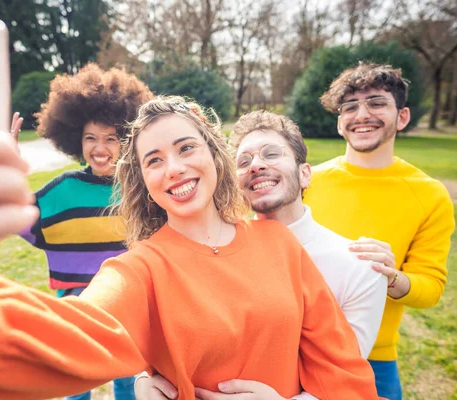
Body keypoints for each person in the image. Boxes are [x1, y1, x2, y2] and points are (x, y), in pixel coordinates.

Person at [0, 89, 384, 400]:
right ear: (143, 180)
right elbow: (72, 338)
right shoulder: (138, 270)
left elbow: (342, 369)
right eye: (154, 159)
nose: (175, 168)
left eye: (186, 147)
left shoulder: (278, 243)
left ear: (213, 154)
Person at [134, 111, 389, 400]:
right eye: (243, 161)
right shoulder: (215, 249)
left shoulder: (360, 265)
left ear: (305, 174)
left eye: (271, 154)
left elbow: (344, 376)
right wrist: (146, 374)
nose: (256, 165)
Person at [304, 63, 455, 400]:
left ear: (402, 117)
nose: (362, 114)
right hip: (294, 346)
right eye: (350, 106)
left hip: (374, 359)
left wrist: (393, 278)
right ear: (340, 122)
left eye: (376, 103)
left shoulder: (429, 194)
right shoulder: (306, 181)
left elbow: (430, 287)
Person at [9, 63, 153, 400]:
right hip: (75, 311)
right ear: (76, 139)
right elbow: (20, 219)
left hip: (127, 310)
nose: (100, 148)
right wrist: (10, 172)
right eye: (90, 138)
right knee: (76, 387)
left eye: (110, 138)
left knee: (128, 382)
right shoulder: (64, 189)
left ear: (127, 140)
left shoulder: (139, 188)